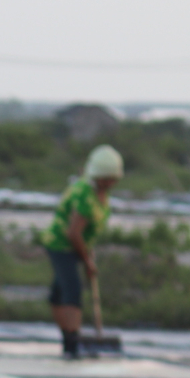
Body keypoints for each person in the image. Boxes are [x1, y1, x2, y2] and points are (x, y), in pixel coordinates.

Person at [40, 144, 122, 359]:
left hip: (76, 245)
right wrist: (87, 261)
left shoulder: (100, 194)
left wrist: (87, 250)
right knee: (72, 290)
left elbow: (87, 231)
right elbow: (74, 233)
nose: (110, 183)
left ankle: (69, 339)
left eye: (113, 179)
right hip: (61, 245)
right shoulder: (85, 195)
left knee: (59, 293)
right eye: (107, 179)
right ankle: (73, 343)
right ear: (98, 176)